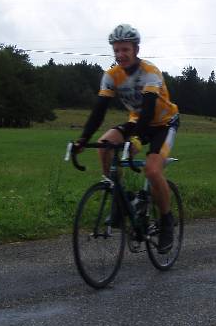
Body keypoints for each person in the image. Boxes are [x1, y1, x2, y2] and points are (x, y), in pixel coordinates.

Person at [73, 24, 180, 253]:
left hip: (163, 123)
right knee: (104, 145)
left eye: (125, 50)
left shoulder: (150, 72)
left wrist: (138, 140)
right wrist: (83, 139)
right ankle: (119, 199)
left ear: (136, 50)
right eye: (117, 50)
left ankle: (167, 220)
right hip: (137, 120)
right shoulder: (111, 75)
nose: (121, 55)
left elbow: (150, 110)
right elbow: (99, 110)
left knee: (152, 171)